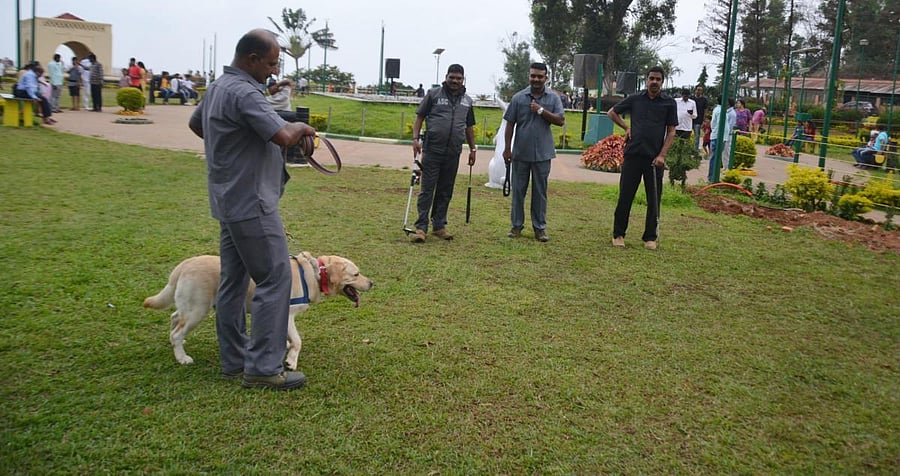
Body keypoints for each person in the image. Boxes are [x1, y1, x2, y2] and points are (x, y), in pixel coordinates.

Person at [188, 28, 316, 391]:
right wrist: (304, 126)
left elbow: (196, 124)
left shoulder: (218, 88)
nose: (273, 72)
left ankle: (235, 360)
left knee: (232, 282)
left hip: (228, 200)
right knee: (276, 278)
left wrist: (231, 145)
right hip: (253, 203)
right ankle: (262, 367)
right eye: (271, 64)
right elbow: (283, 136)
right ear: (252, 59)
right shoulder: (245, 92)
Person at [607, 66, 676, 251]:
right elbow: (612, 112)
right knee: (625, 197)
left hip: (655, 160)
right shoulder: (635, 99)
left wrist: (662, 155)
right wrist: (626, 127)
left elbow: (671, 132)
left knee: (654, 199)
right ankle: (618, 234)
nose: (654, 82)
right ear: (646, 80)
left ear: (662, 81)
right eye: (651, 78)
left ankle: (650, 237)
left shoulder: (669, 103)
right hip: (633, 156)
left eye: (658, 79)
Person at [409, 64, 477, 243]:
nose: (455, 81)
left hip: (453, 152)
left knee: (446, 190)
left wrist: (473, 149)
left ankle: (439, 225)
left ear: (463, 79)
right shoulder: (433, 95)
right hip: (433, 151)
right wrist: (415, 138)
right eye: (452, 77)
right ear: (446, 77)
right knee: (427, 189)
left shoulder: (468, 101)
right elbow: (420, 117)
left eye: (458, 78)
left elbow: (469, 127)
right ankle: (421, 227)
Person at [502, 62, 565, 242]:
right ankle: (516, 226)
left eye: (540, 76)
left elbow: (560, 120)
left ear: (546, 78)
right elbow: (510, 124)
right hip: (520, 153)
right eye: (533, 76)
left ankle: (539, 228)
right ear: (529, 76)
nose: (536, 79)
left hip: (543, 155)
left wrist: (541, 110)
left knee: (540, 192)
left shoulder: (553, 98)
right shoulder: (518, 98)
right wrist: (507, 149)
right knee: (518, 192)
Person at [707, 98, 736, 181]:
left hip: (719, 136)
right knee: (716, 157)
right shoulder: (720, 111)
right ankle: (713, 177)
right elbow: (720, 124)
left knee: (716, 157)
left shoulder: (719, 110)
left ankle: (713, 176)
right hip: (719, 137)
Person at [691, 85, 709, 151]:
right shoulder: (691, 98)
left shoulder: (704, 100)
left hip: (699, 120)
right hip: (690, 120)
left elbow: (705, 110)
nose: (698, 91)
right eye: (698, 89)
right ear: (695, 90)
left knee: (697, 136)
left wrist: (704, 121)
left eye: (700, 90)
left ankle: (695, 150)